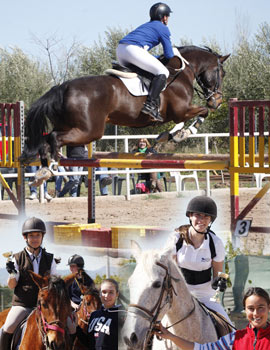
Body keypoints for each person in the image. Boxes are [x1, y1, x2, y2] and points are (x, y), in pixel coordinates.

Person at [166, 196, 231, 322]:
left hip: (206, 293)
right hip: (180, 291)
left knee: (227, 324)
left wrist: (221, 283)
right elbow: (171, 271)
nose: (201, 220)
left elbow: (219, 273)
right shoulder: (176, 238)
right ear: (190, 216)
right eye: (198, 215)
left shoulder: (216, 243)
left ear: (211, 220)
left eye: (206, 217)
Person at [0, 217, 58, 350]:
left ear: (42, 236)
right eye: (31, 236)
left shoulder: (51, 259)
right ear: (25, 237)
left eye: (38, 235)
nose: (35, 239)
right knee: (8, 327)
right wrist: (12, 273)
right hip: (24, 304)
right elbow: (11, 286)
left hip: (46, 306)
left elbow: (55, 284)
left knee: (69, 326)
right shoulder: (16, 258)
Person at [155, 287, 270, 349]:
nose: (256, 313)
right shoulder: (234, 338)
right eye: (251, 308)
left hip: (209, 296)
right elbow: (201, 349)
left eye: (261, 307)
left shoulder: (213, 245)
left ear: (268, 307)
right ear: (245, 309)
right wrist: (171, 337)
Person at [116, 2, 174, 122]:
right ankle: (150, 105)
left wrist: (156, 57)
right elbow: (169, 54)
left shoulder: (147, 25)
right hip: (133, 50)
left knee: (148, 72)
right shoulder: (163, 28)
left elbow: (144, 54)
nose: (167, 18)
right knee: (163, 72)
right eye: (167, 16)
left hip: (121, 51)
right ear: (163, 17)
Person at [75, 278, 124, 350]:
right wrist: (76, 327)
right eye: (104, 292)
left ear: (117, 294)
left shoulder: (122, 315)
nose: (107, 295)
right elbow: (89, 343)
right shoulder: (94, 315)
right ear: (100, 294)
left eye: (111, 292)